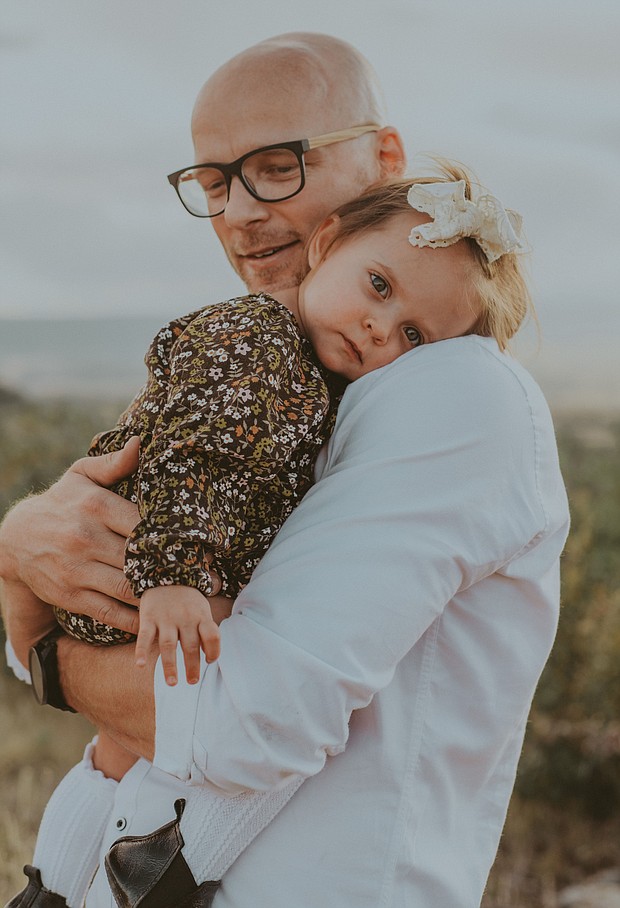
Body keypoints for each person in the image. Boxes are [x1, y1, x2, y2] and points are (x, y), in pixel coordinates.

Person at [0, 31, 569, 908]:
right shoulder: (291, 366)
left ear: (383, 156)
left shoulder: (452, 391)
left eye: (276, 165)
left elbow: (240, 724)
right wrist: (25, 545)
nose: (239, 213)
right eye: (216, 181)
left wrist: (47, 650)